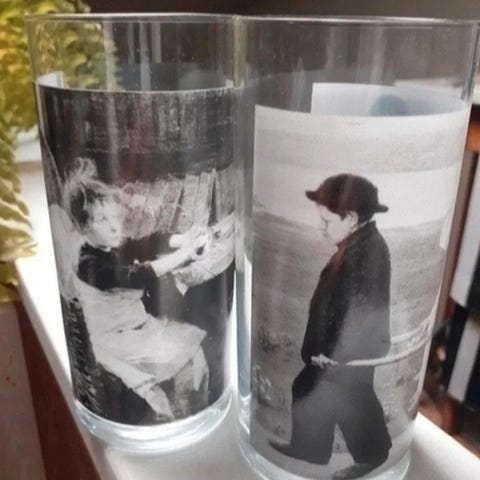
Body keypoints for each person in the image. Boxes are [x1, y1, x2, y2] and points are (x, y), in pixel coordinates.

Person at [57, 158, 210, 424]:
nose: (114, 225)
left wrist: (183, 239)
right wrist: (184, 254)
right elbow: (138, 275)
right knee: (160, 387)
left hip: (139, 327)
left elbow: (146, 242)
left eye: (113, 215)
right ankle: (172, 414)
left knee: (196, 357)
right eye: (102, 219)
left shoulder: (108, 242)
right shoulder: (88, 263)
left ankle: (194, 405)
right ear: (84, 226)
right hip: (116, 341)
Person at [271, 174, 392, 480]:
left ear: (350, 217)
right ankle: (310, 449)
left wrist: (338, 354)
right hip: (335, 350)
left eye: (326, 221)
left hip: (349, 351)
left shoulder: (367, 252)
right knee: (309, 388)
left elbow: (363, 314)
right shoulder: (357, 246)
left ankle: (372, 457)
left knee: (351, 399)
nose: (321, 228)